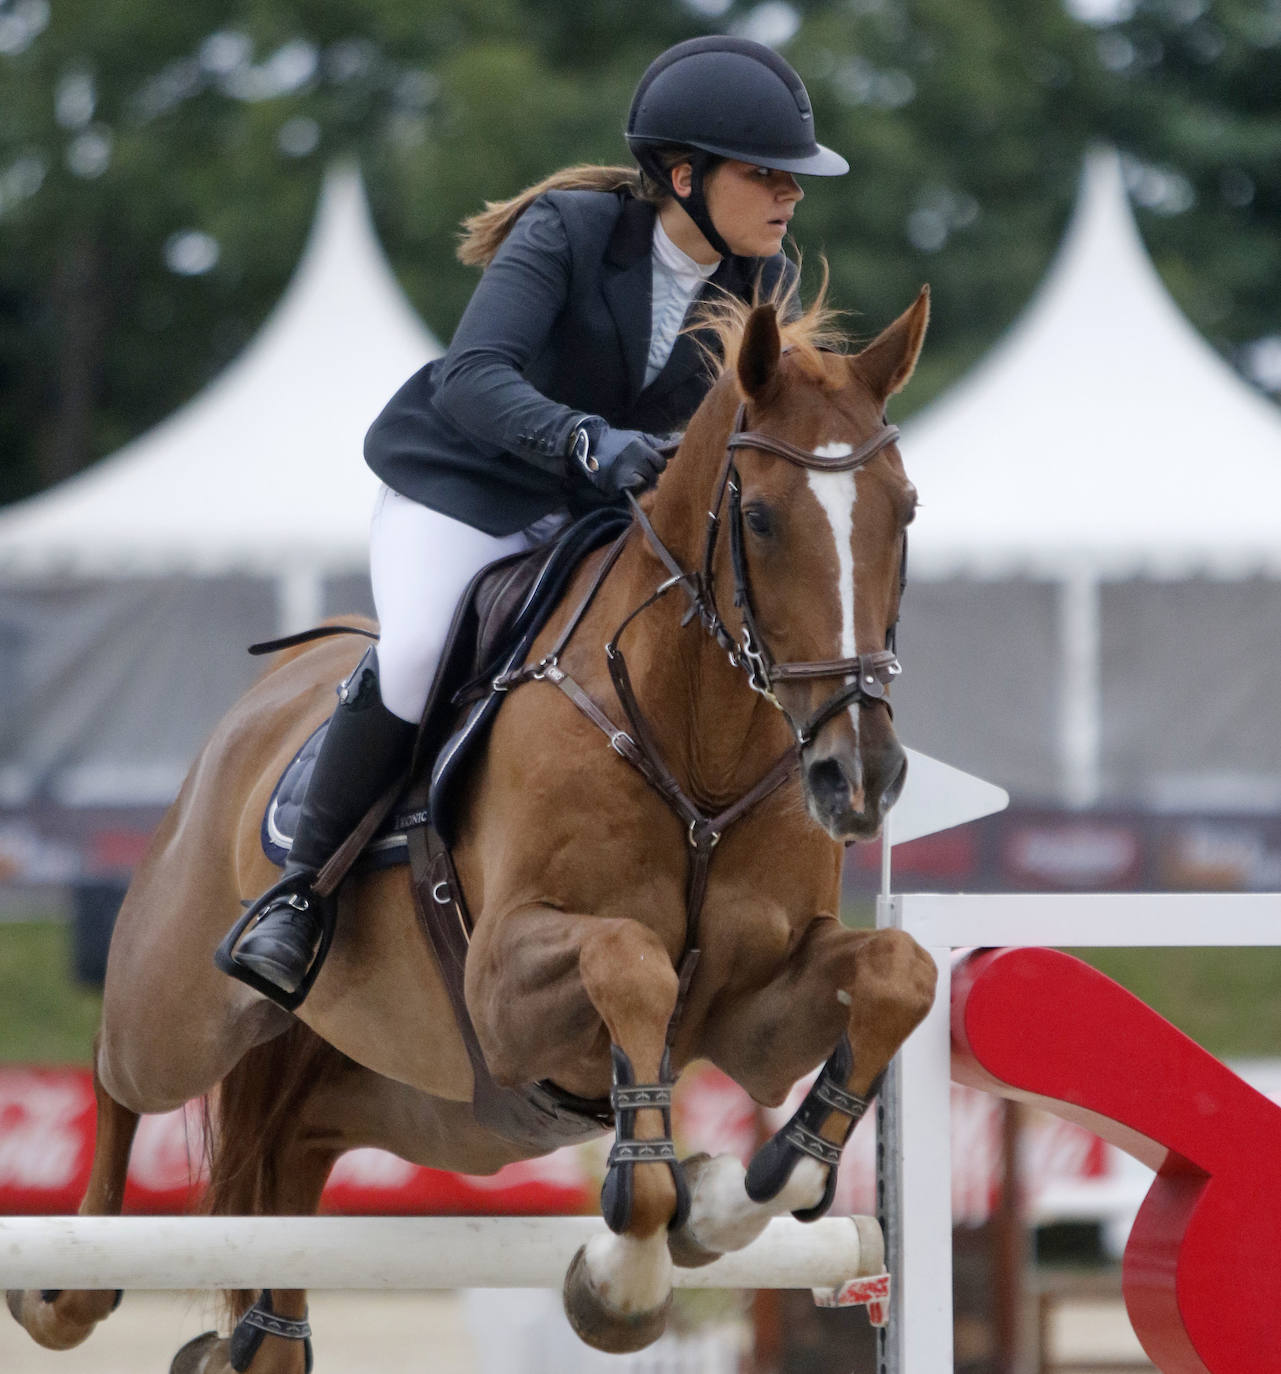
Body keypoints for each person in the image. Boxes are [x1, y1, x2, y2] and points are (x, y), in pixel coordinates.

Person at [222, 34, 850, 1003]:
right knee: (421, 649)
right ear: (684, 176)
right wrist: (588, 442)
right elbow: (474, 376)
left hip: (603, 517)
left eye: (791, 177)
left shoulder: (763, 283)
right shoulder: (569, 230)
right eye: (765, 174)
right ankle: (300, 891)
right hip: (469, 491)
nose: (790, 193)